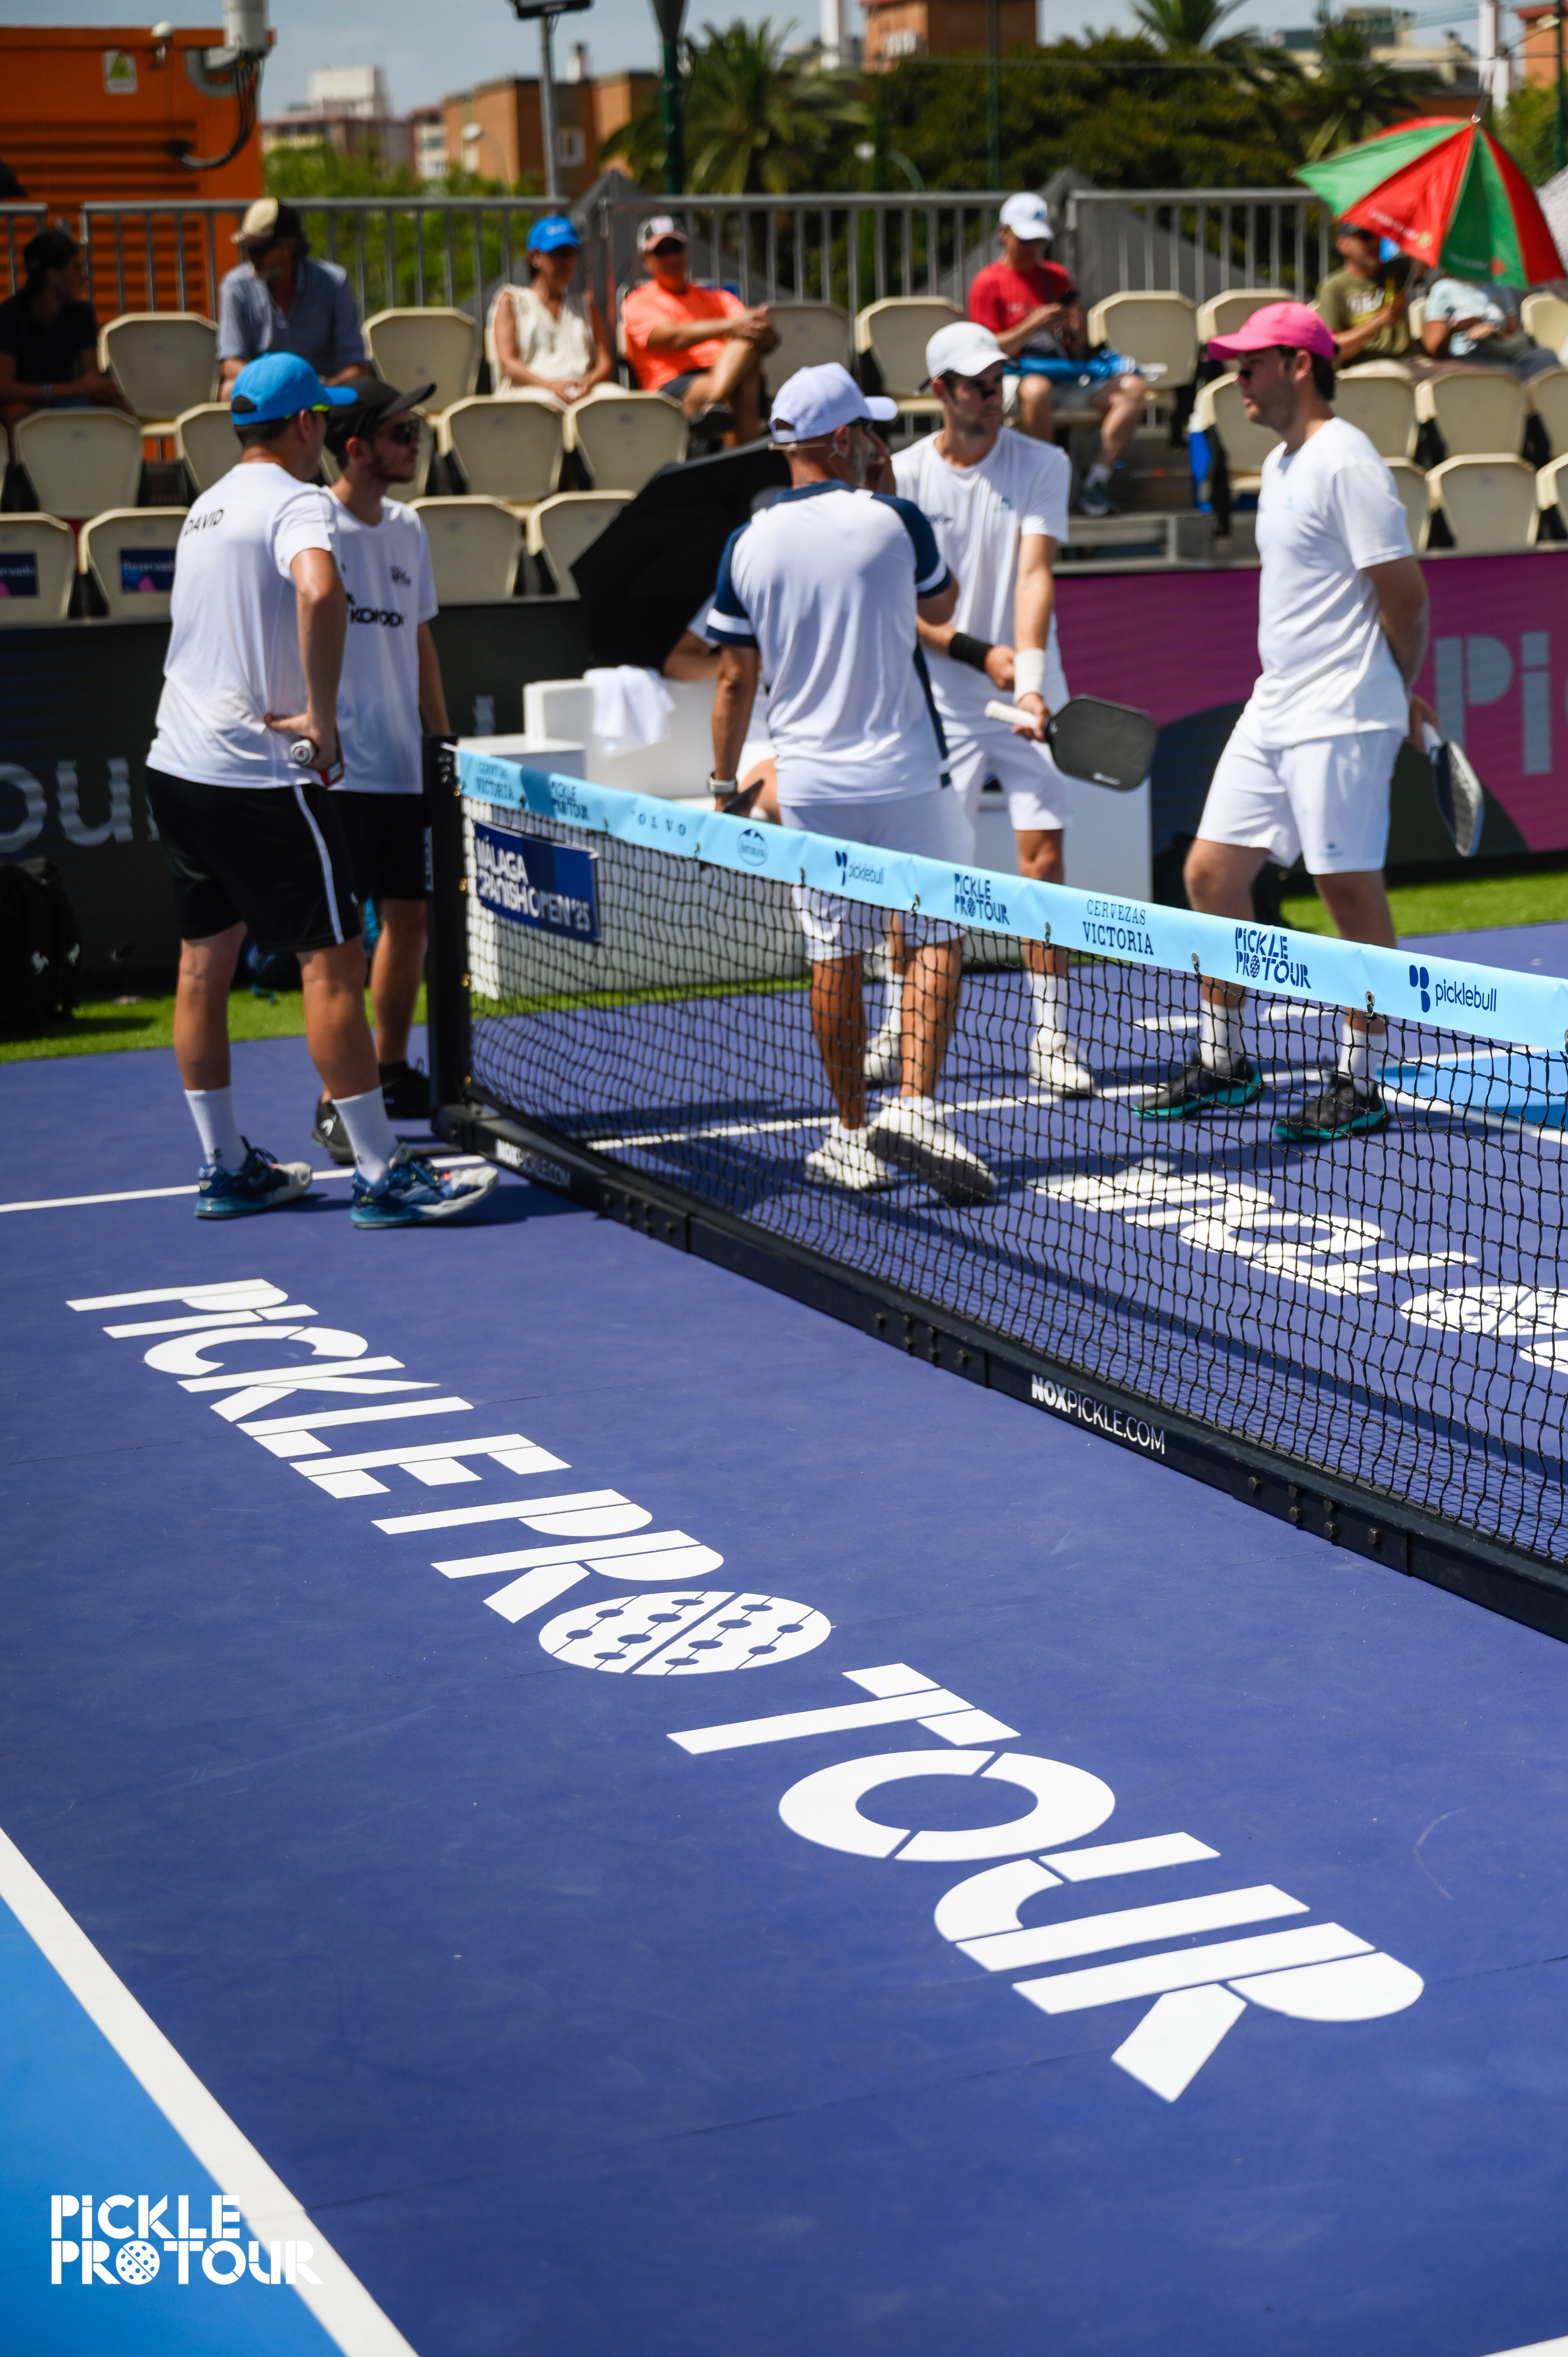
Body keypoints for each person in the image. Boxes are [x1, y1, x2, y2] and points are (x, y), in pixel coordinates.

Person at [144, 351, 495, 1228]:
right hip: (260, 770)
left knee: (202, 965)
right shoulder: (297, 501)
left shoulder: (204, 507)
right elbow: (318, 589)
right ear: (306, 426)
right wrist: (321, 718)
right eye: (323, 417)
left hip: (177, 763)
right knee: (332, 962)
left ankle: (226, 1166)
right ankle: (381, 1173)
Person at [1140, 302, 1433, 1147]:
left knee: (1346, 890)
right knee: (1207, 876)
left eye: (1251, 363)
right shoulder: (1276, 464)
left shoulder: (1346, 460)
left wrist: (1392, 689)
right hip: (1272, 704)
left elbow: (1405, 598)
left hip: (1340, 711)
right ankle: (1226, 1058)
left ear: (1300, 366)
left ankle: (1360, 1080)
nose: (1237, 378)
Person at [705, 360, 994, 1204]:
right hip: (908, 774)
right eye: (865, 428)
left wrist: (722, 785)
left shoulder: (746, 542)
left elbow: (733, 679)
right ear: (843, 440)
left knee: (833, 952)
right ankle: (917, 1106)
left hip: (811, 786)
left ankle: (849, 1133)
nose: (874, 439)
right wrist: (886, 496)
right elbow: (939, 611)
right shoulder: (894, 520)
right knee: (936, 936)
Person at [890, 321, 1092, 1100]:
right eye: (975, 385)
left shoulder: (1043, 463)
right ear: (940, 391)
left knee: (1043, 863)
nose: (991, 395)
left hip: (1029, 692)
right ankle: (896, 1022)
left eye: (996, 381)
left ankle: (1051, 1036)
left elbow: (1034, 576)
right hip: (939, 702)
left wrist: (1029, 679)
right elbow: (897, 605)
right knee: (921, 877)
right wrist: (978, 655)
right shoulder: (903, 475)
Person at [308, 376, 452, 1165]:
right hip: (336, 774)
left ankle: (390, 1068)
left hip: (402, 767)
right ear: (357, 448)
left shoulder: (409, 527)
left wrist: (441, 739)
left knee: (410, 920)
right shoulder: (312, 524)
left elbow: (419, 640)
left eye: (416, 429)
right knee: (338, 944)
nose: (415, 441)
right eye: (402, 432)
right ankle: (336, 1097)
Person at [967, 192, 1144, 518]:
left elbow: (1075, 348)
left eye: (1037, 241)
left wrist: (1073, 331)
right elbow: (985, 349)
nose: (1032, 248)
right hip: (1013, 379)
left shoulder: (1056, 276)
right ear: (1003, 235)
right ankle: (1045, 487)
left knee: (1133, 388)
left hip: (1063, 375)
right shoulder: (987, 283)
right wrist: (1034, 323)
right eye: (1025, 240)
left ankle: (1096, 481)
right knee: (1037, 389)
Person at [620, 216, 777, 443]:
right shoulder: (638, 302)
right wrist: (731, 325)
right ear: (646, 259)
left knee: (748, 342)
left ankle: (714, 404)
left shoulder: (718, 297)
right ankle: (744, 456)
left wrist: (764, 328)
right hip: (673, 386)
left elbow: (753, 329)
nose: (671, 257)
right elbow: (673, 337)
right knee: (744, 379)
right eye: (662, 251)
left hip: (719, 376)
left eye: (676, 248)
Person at [218, 199, 372, 393]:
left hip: (325, 394)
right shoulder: (236, 286)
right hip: (264, 393)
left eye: (260, 249)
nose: (252, 257)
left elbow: (358, 365)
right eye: (247, 248)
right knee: (229, 390)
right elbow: (230, 363)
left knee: (363, 389)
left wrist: (330, 383)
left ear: (288, 248)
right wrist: (273, 384)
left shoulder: (334, 283)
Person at [0, 228, 129, 443]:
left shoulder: (82, 314)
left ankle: (124, 466)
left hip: (70, 399)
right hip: (29, 402)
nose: (84, 277)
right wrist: (68, 390)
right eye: (77, 269)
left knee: (122, 412)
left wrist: (103, 388)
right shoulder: (9, 316)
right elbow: (4, 388)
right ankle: (22, 466)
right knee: (15, 414)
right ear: (52, 276)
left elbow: (91, 376)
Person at [488, 214, 613, 410]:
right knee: (548, 406)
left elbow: (605, 363)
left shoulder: (586, 305)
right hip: (529, 393)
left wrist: (588, 383)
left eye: (571, 253)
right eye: (558, 253)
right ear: (535, 257)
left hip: (580, 390)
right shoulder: (511, 300)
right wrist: (551, 387)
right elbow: (508, 363)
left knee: (618, 399)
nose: (567, 261)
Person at [1314, 222, 1419, 372]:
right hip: (1366, 368)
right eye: (1366, 236)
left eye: (1378, 235)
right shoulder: (1333, 288)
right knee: (1397, 371)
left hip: (1410, 361)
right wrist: (1379, 322)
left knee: (1454, 375)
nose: (1375, 242)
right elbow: (1332, 350)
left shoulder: (1397, 269)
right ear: (1343, 245)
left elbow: (1427, 257)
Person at [1421, 276, 1558, 380]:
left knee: (1546, 356)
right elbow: (1436, 351)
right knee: (1508, 374)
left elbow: (1514, 336)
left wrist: (1494, 331)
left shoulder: (1498, 285)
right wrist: (1457, 326)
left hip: (1501, 353)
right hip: (1466, 357)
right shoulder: (1444, 289)